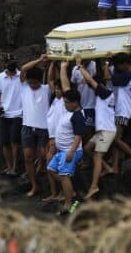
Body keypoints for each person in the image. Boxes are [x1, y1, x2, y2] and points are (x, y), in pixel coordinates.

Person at [76, 59, 116, 199]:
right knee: (87, 149)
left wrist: (79, 65)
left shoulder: (105, 93)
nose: (91, 88)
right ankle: (107, 168)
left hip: (107, 130)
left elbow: (89, 79)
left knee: (97, 157)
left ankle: (94, 186)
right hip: (103, 130)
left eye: (92, 86)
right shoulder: (105, 93)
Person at [46, 88, 86, 215]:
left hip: (70, 151)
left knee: (64, 176)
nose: (65, 104)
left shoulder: (78, 115)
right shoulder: (68, 112)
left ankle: (68, 205)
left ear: (75, 103)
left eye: (67, 102)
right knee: (51, 169)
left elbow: (78, 136)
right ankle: (70, 190)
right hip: (61, 151)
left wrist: (71, 152)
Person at [18, 56, 52, 198]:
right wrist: (38, 60)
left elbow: (50, 77)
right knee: (28, 157)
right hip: (27, 126)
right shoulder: (24, 87)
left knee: (43, 154)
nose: (32, 85)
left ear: (40, 80)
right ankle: (34, 185)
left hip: (44, 128)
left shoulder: (46, 89)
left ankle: (41, 166)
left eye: (35, 82)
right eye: (30, 82)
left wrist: (50, 64)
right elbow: (24, 69)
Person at [44, 61, 71, 203]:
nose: (56, 91)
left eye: (58, 89)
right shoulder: (55, 99)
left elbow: (65, 87)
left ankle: (63, 192)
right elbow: (50, 80)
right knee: (50, 167)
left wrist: (63, 68)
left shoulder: (65, 102)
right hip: (52, 138)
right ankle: (55, 193)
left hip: (59, 140)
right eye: (55, 89)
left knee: (57, 168)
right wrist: (52, 64)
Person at [0, 59, 23, 176]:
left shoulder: (21, 76)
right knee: (5, 142)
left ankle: (15, 167)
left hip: (18, 113)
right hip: (4, 113)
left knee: (15, 141)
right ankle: (9, 166)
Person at [109, 52, 131, 173]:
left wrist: (107, 65)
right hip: (119, 109)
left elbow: (110, 79)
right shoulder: (121, 72)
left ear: (126, 64)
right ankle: (115, 167)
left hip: (124, 110)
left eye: (118, 64)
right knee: (118, 139)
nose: (116, 67)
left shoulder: (130, 75)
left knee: (115, 139)